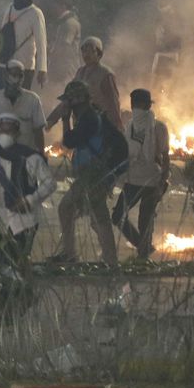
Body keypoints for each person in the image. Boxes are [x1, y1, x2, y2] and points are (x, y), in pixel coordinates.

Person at [50, 80, 121, 266]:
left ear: (79, 100)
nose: (67, 105)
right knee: (92, 214)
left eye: (69, 101)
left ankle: (106, 259)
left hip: (93, 174)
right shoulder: (90, 115)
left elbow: (69, 141)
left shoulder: (89, 118)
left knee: (77, 210)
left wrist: (65, 120)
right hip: (92, 172)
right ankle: (102, 257)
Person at [0, 112, 56, 284]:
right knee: (1, 266)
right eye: (2, 130)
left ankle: (22, 297)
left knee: (16, 265)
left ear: (17, 133)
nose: (5, 134)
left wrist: (30, 200)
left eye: (9, 131)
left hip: (25, 221)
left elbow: (50, 183)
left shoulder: (31, 157)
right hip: (1, 220)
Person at [112, 89, 169, 261]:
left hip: (151, 179)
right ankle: (143, 246)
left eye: (137, 103)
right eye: (133, 103)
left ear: (145, 105)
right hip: (133, 178)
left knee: (145, 219)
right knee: (118, 216)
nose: (134, 106)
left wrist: (162, 182)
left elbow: (165, 157)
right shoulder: (130, 126)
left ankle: (143, 255)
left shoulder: (159, 127)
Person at [45, 36, 122, 130]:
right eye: (84, 51)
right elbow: (68, 98)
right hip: (80, 125)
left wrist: (117, 127)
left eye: (90, 51)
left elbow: (113, 103)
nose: (86, 54)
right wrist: (51, 120)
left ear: (99, 54)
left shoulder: (106, 74)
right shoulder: (80, 73)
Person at [0, 60, 46, 162]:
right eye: (13, 75)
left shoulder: (33, 100)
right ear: (6, 76)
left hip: (26, 156)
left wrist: (41, 153)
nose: (17, 79)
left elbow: (38, 131)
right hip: (3, 156)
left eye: (20, 76)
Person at [0, 0, 47, 92]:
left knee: (19, 102)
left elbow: (41, 42)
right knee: (0, 98)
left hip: (24, 66)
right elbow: (1, 37)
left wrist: (42, 69)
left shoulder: (35, 13)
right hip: (4, 65)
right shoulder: (9, 9)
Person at [46, 0, 81, 108]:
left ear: (63, 6)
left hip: (66, 67)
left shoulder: (69, 23)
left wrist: (50, 55)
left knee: (63, 92)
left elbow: (65, 47)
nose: (53, 9)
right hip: (59, 66)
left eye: (55, 6)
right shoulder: (62, 23)